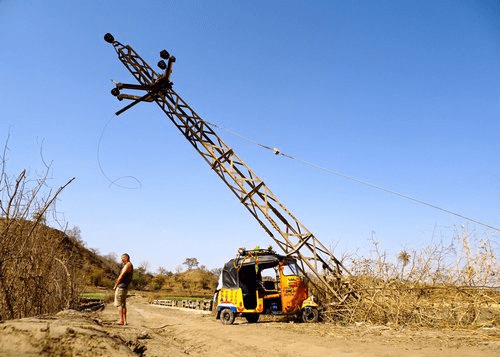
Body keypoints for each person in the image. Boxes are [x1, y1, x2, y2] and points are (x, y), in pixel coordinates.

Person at [113, 253, 133, 325]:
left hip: (121, 287)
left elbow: (121, 276)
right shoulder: (130, 266)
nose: (122, 261)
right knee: (123, 304)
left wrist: (116, 285)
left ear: (126, 258)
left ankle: (121, 320)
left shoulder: (127, 265)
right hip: (125, 287)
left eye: (122, 259)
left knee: (119, 304)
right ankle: (124, 321)